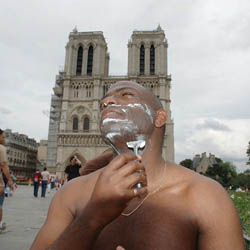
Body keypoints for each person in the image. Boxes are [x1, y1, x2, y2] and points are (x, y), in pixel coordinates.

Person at [30, 81, 245, 250]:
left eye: (125, 95)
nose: (106, 103)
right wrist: (91, 218)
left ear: (160, 118)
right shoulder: (71, 193)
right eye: (103, 101)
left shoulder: (206, 196)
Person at [0, 129, 12, 233]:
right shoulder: (1, 148)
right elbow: (4, 165)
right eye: (3, 137)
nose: (4, 139)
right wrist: (9, 179)